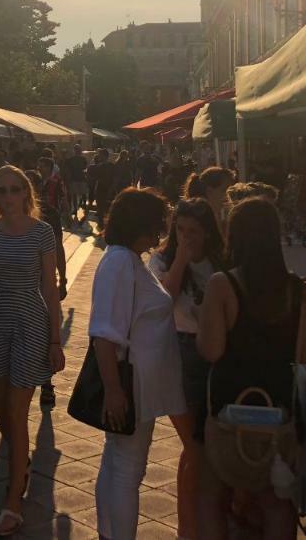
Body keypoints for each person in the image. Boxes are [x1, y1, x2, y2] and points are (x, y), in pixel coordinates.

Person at [196, 198, 306, 540]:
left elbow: (212, 349)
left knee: (210, 491)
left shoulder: (223, 284)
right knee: (276, 497)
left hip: (229, 398)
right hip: (277, 398)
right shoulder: (297, 289)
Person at [0, 165, 65, 536]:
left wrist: (56, 340)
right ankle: (19, 462)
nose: (8, 196)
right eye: (2, 190)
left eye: (14, 190)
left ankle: (13, 502)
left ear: (26, 194)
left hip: (31, 320)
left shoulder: (42, 232)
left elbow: (50, 288)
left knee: (16, 410)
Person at [91, 189, 186, 540]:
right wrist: (115, 391)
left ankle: (109, 532)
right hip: (132, 383)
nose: (159, 233)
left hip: (135, 381)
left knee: (117, 462)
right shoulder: (120, 262)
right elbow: (104, 332)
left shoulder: (126, 259)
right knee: (128, 469)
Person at [149, 198, 227, 540]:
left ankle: (198, 526)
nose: (186, 237)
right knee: (195, 448)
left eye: (193, 231)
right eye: (180, 230)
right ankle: (188, 530)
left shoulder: (220, 262)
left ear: (207, 232)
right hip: (178, 352)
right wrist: (180, 258)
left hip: (216, 355)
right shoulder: (162, 259)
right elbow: (164, 298)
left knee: (203, 447)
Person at [31, 161, 69, 407]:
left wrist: (62, 278)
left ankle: (45, 383)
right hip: (23, 287)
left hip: (42, 285)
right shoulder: (3, 217)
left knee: (45, 333)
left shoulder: (49, 214)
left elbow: (58, 247)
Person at [62, 144, 89, 223]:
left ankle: (78, 207)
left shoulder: (72, 159)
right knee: (79, 194)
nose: (77, 151)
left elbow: (67, 169)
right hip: (78, 178)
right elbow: (84, 168)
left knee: (77, 194)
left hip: (77, 179)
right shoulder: (80, 159)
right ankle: (79, 207)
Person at [93, 150, 119, 224]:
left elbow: (115, 178)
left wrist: (112, 188)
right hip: (101, 188)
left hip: (108, 188)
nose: (99, 157)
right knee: (100, 206)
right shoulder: (99, 166)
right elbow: (97, 179)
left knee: (108, 207)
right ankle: (101, 223)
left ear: (104, 156)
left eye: (100, 155)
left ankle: (107, 223)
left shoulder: (111, 166)